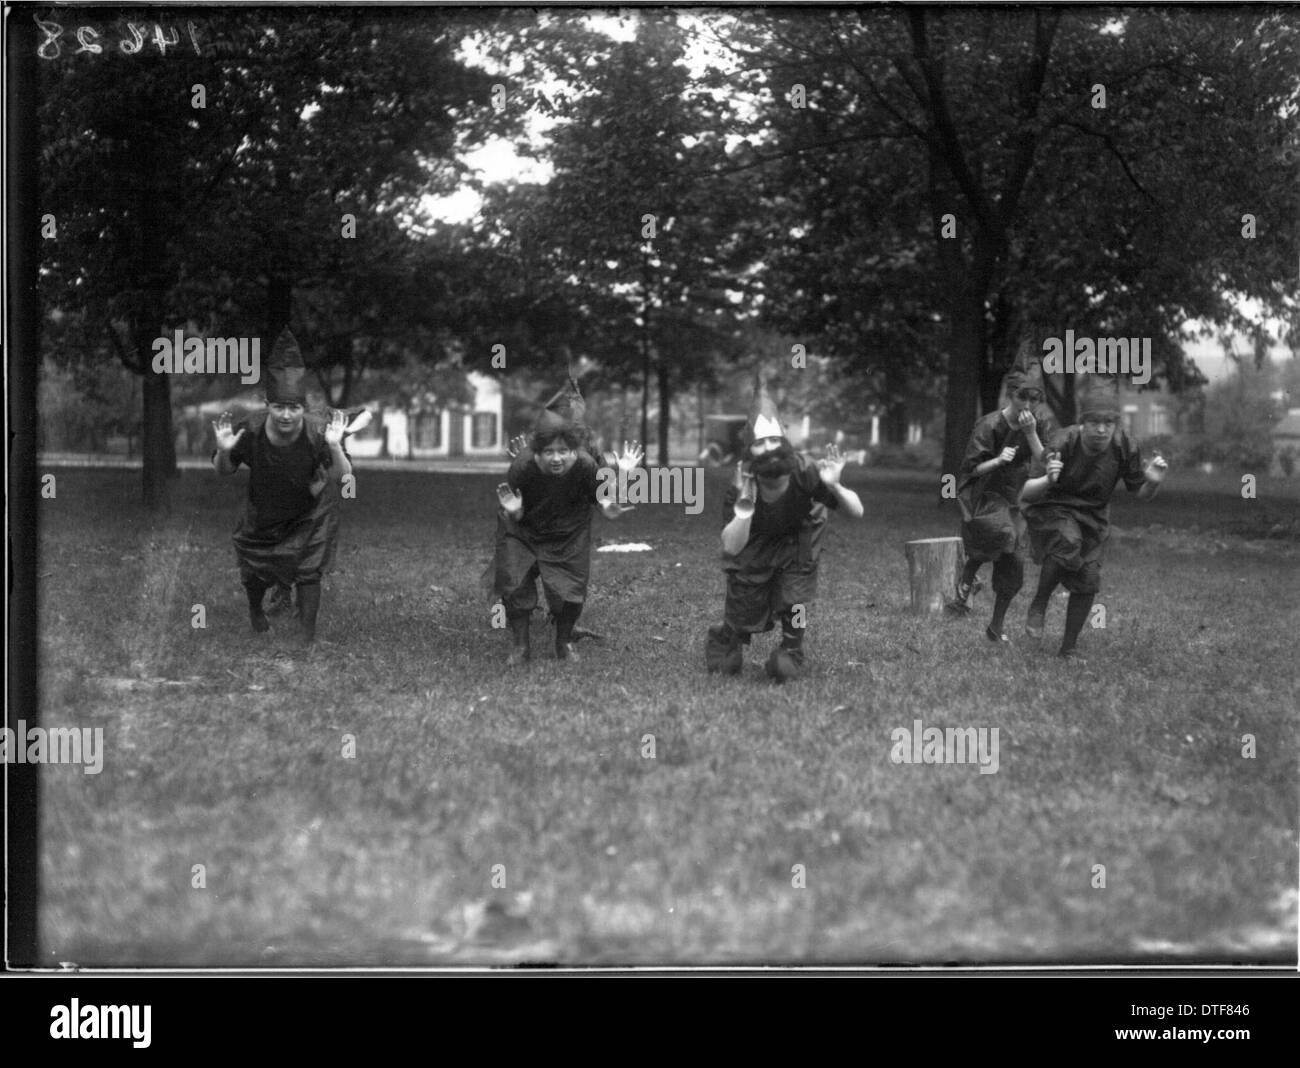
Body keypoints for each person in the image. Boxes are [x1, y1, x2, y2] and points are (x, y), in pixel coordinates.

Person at [705, 373, 864, 681]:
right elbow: (731, 546)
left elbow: (857, 511)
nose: (769, 452)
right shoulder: (741, 484)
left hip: (799, 535)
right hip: (756, 538)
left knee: (795, 599)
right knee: (745, 596)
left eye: (774, 443)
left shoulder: (806, 471)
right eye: (760, 446)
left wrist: (837, 486)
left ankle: (793, 647)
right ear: (750, 455)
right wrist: (744, 505)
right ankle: (728, 636)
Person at [212, 329, 353, 644]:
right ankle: (256, 609)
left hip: (310, 509)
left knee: (309, 567)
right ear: (267, 404)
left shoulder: (320, 432)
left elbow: (342, 477)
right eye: (279, 407)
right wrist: (224, 450)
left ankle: (306, 637)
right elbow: (224, 470)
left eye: (294, 408)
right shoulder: (249, 429)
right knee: (254, 570)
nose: (286, 415)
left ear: (304, 406)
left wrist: (335, 447)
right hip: (264, 510)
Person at [493, 371, 640, 664]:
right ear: (537, 452)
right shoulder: (521, 467)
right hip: (524, 528)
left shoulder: (586, 464)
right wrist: (515, 511)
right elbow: (517, 511)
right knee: (515, 579)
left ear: (575, 449)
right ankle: (521, 646)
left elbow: (604, 499)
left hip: (568, 530)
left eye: (564, 451)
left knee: (570, 588)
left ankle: (563, 643)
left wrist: (620, 484)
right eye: (548, 452)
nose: (557, 458)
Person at [1019, 374, 1168, 660]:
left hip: (1094, 516)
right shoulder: (1064, 440)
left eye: (1108, 423)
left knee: (1088, 578)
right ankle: (1039, 602)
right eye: (1094, 422)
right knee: (1067, 541)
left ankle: (1068, 648)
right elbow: (1028, 485)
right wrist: (1047, 473)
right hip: (1055, 506)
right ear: (1082, 423)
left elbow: (1142, 494)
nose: (1101, 429)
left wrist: (1153, 482)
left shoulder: (1125, 446)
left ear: (1115, 424)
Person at [947, 345, 1058, 641]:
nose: (1028, 404)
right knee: (1002, 535)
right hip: (983, 494)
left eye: (1035, 399)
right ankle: (968, 575)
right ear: (1011, 394)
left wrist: (1032, 433)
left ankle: (995, 627)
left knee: (1014, 564)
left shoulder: (1037, 423)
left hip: (1014, 496)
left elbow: (1045, 460)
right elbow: (970, 470)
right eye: (1023, 396)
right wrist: (998, 460)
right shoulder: (989, 424)